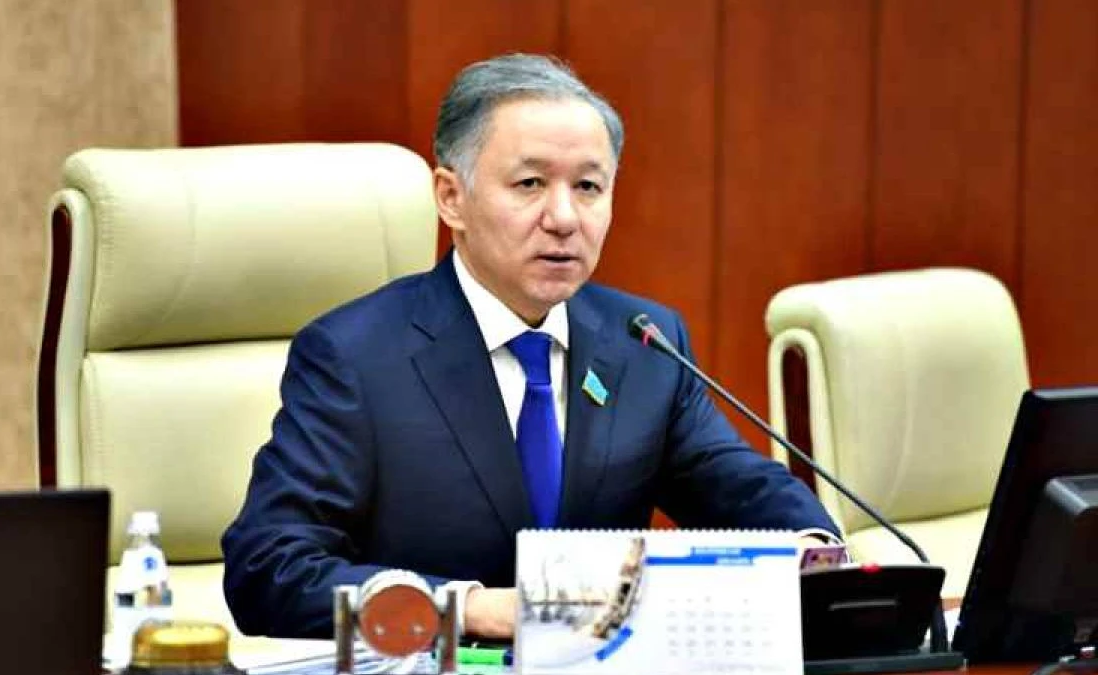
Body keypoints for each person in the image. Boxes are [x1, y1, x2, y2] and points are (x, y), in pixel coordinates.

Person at [222, 53, 839, 640]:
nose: (564, 218)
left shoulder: (645, 342)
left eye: (589, 187)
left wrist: (812, 549)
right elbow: (269, 567)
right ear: (451, 198)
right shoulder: (355, 356)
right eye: (530, 183)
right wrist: (470, 608)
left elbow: (739, 488)